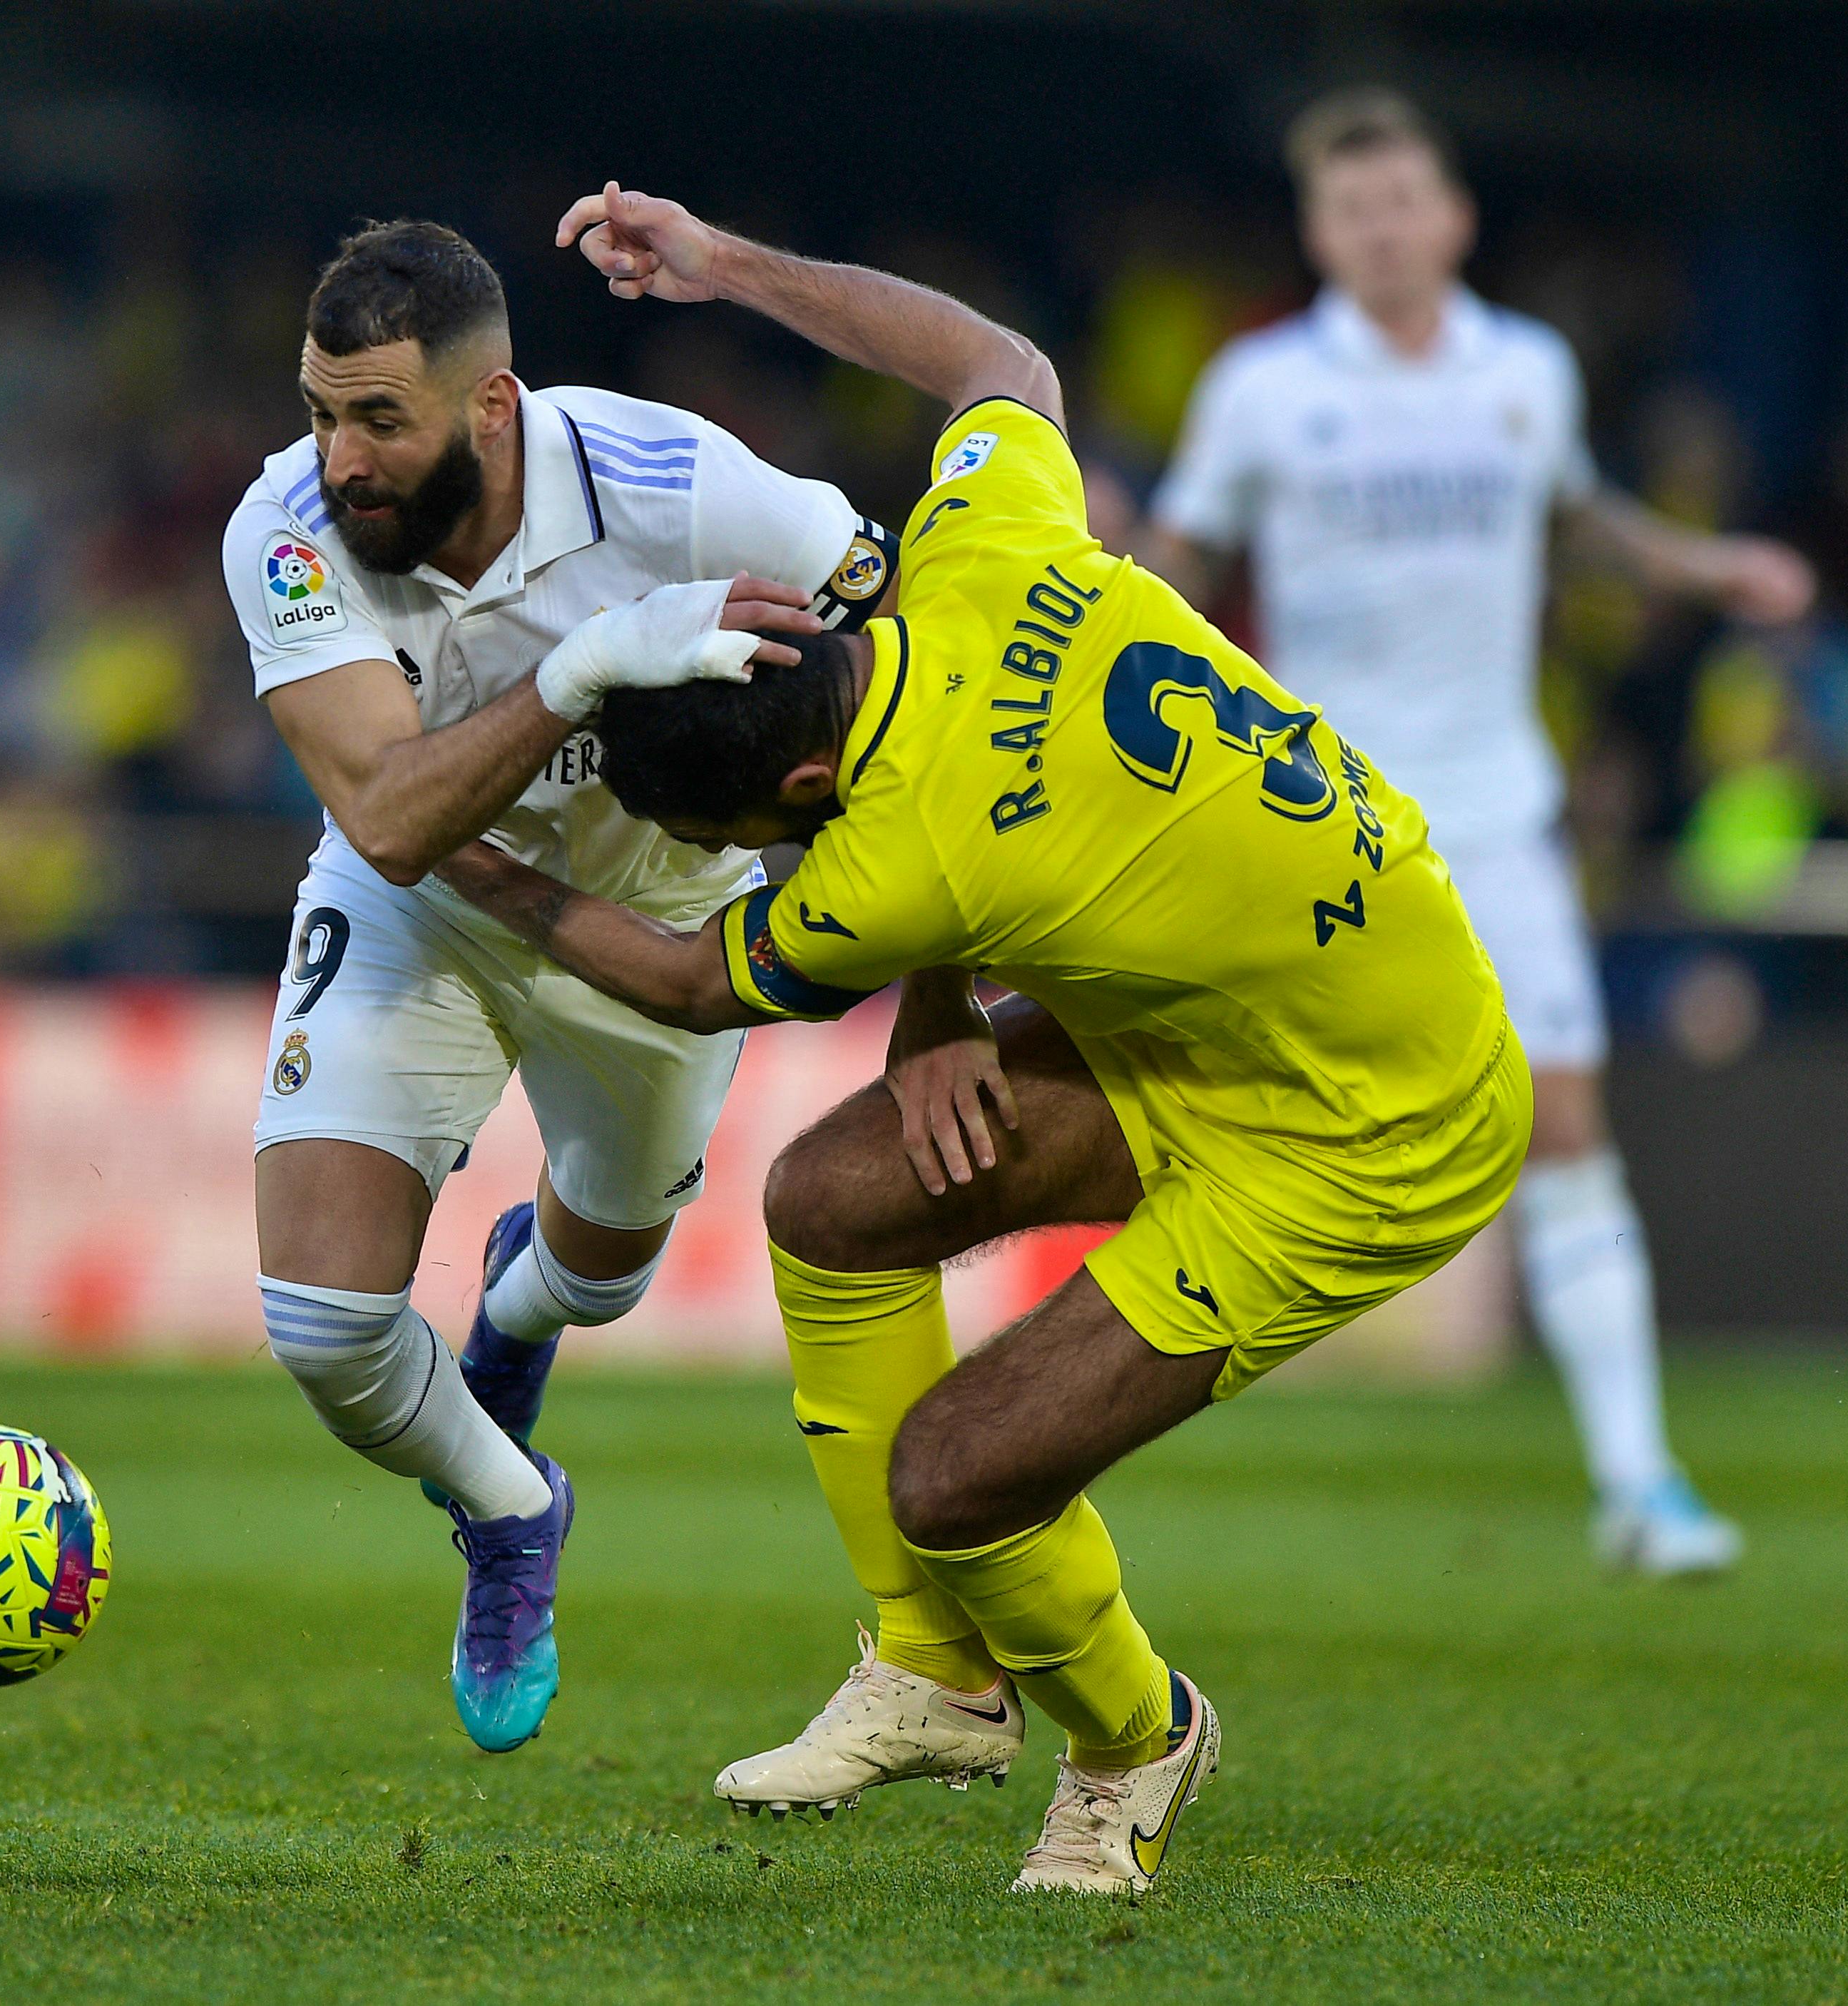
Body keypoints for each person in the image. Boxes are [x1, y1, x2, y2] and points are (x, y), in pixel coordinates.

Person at [429, 183, 1531, 1895]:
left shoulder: (890, 869)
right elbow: (994, 356)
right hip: (1280, 1001)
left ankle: (1129, 1737)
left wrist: (469, 863)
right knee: (833, 1202)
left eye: (745, 834)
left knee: (957, 1475)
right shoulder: (978, 543)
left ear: (798, 795)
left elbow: (680, 978)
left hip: (1365, 1126)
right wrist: (723, 267)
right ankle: (933, 1674)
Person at [219, 220, 897, 1753]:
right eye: (321, 411)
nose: (340, 458)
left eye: (380, 418)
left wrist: (935, 986)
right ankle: (513, 1509)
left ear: (493, 407)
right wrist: (585, 664)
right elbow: (390, 819)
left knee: (605, 1272)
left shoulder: (679, 483)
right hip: (427, 902)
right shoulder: (283, 526)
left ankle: (523, 1313)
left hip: (651, 915)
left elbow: (923, 639)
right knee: (322, 1327)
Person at [1136, 90, 1816, 1574]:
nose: (1381, 231)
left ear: (1452, 218)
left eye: (1403, 203)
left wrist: (1707, 567)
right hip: (1319, 819)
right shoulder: (1259, 387)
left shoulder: (1527, 373)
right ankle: (1079, 1425)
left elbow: (1569, 517)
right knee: (1178, 1112)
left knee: (1562, 1124)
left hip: (1496, 812)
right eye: (1350, 209)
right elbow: (1174, 562)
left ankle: (1639, 1483)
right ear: (1320, 231)